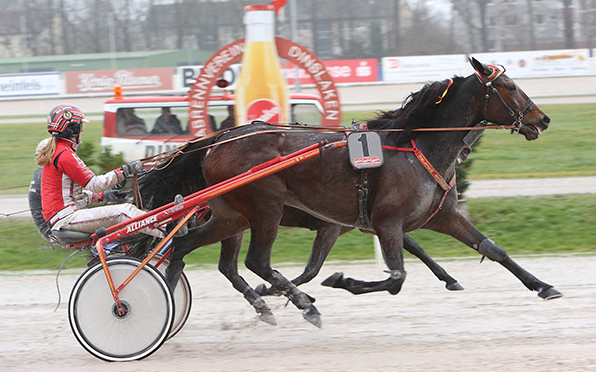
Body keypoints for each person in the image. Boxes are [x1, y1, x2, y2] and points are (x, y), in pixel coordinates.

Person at [36, 104, 163, 238]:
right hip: (66, 218)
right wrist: (124, 171)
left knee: (129, 222)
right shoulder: (64, 155)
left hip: (63, 216)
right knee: (124, 212)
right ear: (72, 129)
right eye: (80, 125)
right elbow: (96, 185)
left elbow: (73, 195)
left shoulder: (60, 151)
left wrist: (104, 196)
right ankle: (168, 228)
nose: (82, 130)